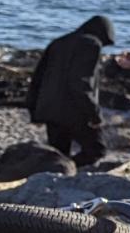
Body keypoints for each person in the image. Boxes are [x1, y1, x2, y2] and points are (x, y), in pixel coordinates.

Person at [27, 15, 115, 165]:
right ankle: (71, 169)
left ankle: (61, 177)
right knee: (97, 150)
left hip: (50, 108)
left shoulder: (59, 42)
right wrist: (94, 114)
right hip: (75, 110)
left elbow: (38, 78)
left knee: (58, 156)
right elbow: (81, 83)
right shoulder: (91, 44)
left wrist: (33, 108)